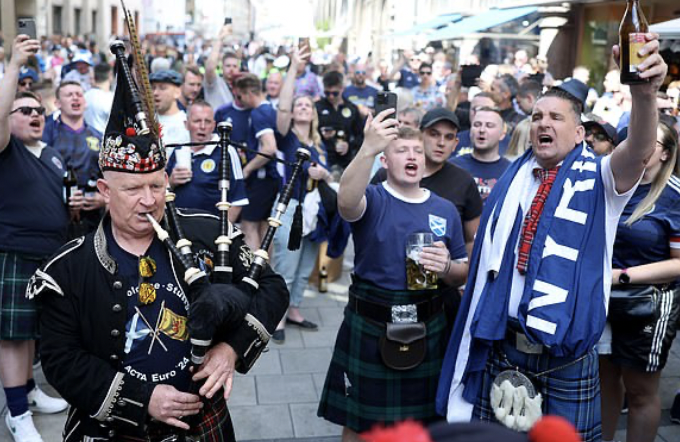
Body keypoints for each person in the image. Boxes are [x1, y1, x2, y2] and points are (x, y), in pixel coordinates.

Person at [28, 43, 289, 442]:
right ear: (104, 190)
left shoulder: (205, 232)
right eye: (133, 188)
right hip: (109, 430)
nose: (149, 199)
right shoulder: (68, 267)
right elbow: (61, 360)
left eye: (156, 184)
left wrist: (232, 348)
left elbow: (270, 287)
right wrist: (141, 398)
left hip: (201, 423)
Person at [437, 35, 668, 442]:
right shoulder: (515, 177)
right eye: (538, 116)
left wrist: (644, 95)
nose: (543, 123)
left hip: (565, 358)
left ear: (579, 133)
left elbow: (639, 149)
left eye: (556, 118)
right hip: (502, 345)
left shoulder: (599, 180)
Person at [318, 113, 468, 442]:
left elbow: (461, 273)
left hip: (428, 325)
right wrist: (367, 148)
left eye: (417, 150)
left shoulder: (444, 209)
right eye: (401, 150)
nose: (412, 155)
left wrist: (446, 268)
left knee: (422, 424)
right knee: (360, 423)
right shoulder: (373, 197)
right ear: (385, 160)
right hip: (370, 324)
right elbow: (345, 202)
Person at [0, 35, 71, 442]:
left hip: (47, 255)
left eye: (40, 110)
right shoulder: (5, 148)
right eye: (24, 109)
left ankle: (28, 392)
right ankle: (15, 413)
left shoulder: (50, 153)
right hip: (14, 251)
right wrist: (14, 65)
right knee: (11, 336)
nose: (35, 114)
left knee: (29, 332)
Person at [599, 122, 680, 442]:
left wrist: (621, 277)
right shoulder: (611, 183)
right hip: (603, 299)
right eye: (634, 139)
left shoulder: (674, 195)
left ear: (666, 154)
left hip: (649, 304)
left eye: (650, 141)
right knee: (604, 381)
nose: (640, 146)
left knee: (640, 391)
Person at [270, 47, 332, 343]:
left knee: (306, 264)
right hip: (290, 206)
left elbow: (329, 175)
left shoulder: (319, 143)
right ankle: (278, 317)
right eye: (300, 104)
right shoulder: (287, 136)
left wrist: (324, 174)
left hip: (314, 210)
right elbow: (282, 109)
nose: (304, 107)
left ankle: (294, 309)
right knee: (286, 265)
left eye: (308, 104)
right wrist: (294, 69)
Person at [373, 108, 482, 255]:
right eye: (434, 134)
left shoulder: (464, 182)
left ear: (456, 143)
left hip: (440, 274)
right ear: (420, 135)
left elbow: (472, 239)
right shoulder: (388, 173)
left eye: (449, 137)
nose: (441, 143)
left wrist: (459, 272)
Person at [166, 100, 249, 221]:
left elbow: (238, 200)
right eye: (197, 121)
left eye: (207, 121)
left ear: (214, 125)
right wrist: (172, 182)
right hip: (179, 228)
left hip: (211, 230)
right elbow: (163, 192)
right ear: (186, 124)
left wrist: (222, 233)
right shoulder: (179, 150)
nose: (203, 126)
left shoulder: (226, 151)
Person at [43, 80, 105, 236]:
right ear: (57, 103)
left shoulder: (99, 137)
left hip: (92, 217)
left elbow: (111, 176)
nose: (75, 98)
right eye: (69, 95)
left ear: (85, 102)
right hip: (57, 214)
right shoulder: (46, 134)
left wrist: (104, 198)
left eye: (79, 94)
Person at [234, 74, 282, 250]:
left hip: (262, 179)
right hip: (272, 179)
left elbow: (269, 148)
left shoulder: (259, 113)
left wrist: (247, 169)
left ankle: (254, 272)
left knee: (249, 226)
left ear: (248, 93)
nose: (239, 101)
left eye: (240, 96)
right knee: (264, 229)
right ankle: (265, 272)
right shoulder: (271, 109)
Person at [452, 107, 510, 202]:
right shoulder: (453, 167)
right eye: (477, 125)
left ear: (502, 134)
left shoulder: (511, 171)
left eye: (489, 126)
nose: (482, 130)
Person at [316, 71, 364, 171]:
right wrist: (321, 135)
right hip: (322, 160)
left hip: (345, 162)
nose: (331, 96)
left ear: (342, 89)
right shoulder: (317, 107)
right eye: (327, 93)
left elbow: (361, 136)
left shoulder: (352, 109)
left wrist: (349, 145)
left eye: (335, 93)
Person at [454, 92, 509, 158]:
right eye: (474, 109)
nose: (479, 113)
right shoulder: (456, 139)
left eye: (485, 109)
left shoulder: (508, 144)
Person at [149, 69, 191, 155]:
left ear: (177, 92)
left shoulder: (186, 123)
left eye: (162, 88)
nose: (155, 93)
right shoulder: (147, 122)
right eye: (153, 88)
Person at [203, 24, 238, 109]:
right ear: (222, 67)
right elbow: (210, 66)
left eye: (234, 66)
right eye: (228, 66)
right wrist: (220, 39)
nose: (231, 69)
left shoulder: (241, 86)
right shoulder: (214, 82)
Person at [84, 62, 114, 134]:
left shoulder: (84, 96)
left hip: (87, 139)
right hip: (104, 140)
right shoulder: (111, 98)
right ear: (110, 75)